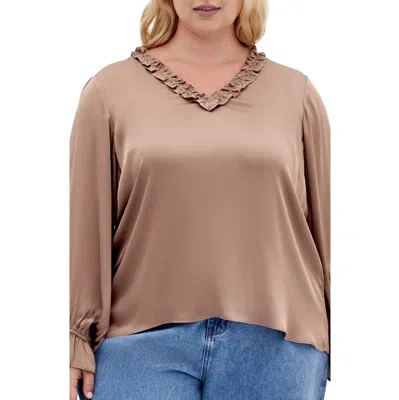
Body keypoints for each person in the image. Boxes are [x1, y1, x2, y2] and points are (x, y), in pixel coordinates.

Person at [69, 0, 331, 399]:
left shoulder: (297, 94)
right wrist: (76, 336)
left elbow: (326, 227)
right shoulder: (108, 91)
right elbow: (86, 225)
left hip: (278, 344)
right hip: (139, 344)